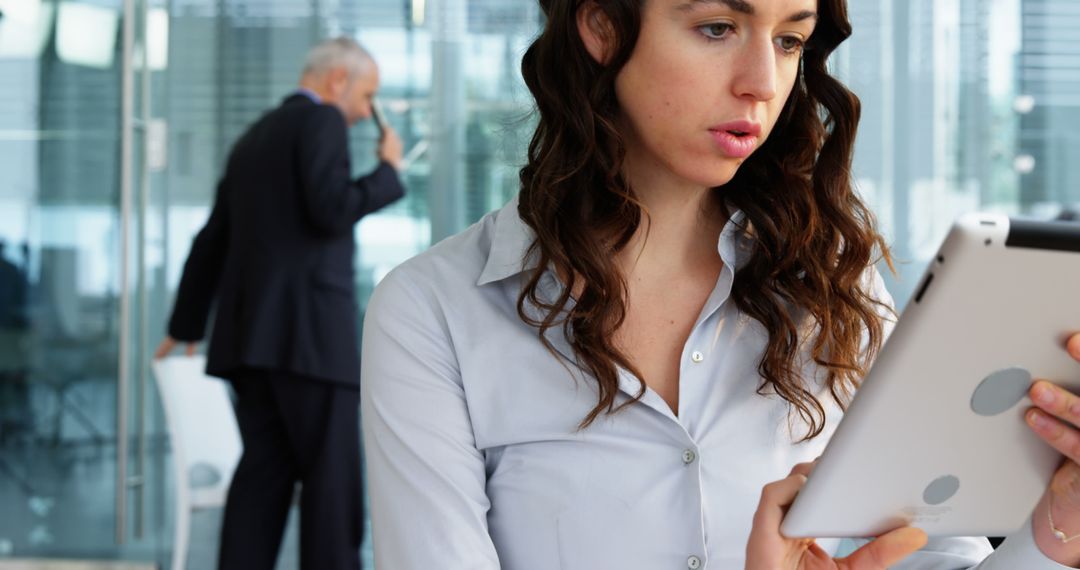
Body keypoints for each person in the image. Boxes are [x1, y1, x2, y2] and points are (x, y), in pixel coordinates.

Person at [360, 0, 1080, 568]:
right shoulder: (434, 310)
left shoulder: (833, 281)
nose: (762, 83)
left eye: (790, 40)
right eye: (716, 27)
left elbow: (931, 559)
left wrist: (1057, 529)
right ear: (603, 27)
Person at [154, 37, 404, 570]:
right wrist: (387, 173)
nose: (366, 113)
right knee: (331, 488)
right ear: (338, 80)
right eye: (368, 95)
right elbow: (330, 209)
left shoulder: (255, 137)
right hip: (309, 341)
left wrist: (187, 322)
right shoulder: (323, 123)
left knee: (262, 479)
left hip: (251, 344)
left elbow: (212, 238)